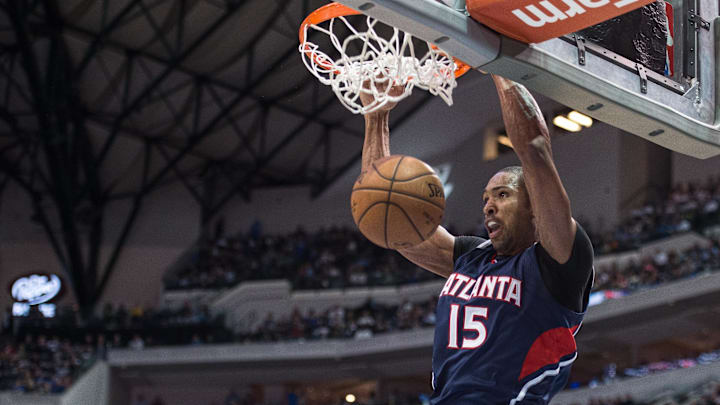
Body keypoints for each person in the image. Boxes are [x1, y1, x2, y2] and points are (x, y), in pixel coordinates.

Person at [359, 75, 594, 404]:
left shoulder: (558, 262)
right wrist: (376, 115)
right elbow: (389, 219)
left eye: (502, 194)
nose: (488, 206)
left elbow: (535, 150)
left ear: (533, 206)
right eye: (485, 199)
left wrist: (498, 64)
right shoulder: (472, 257)